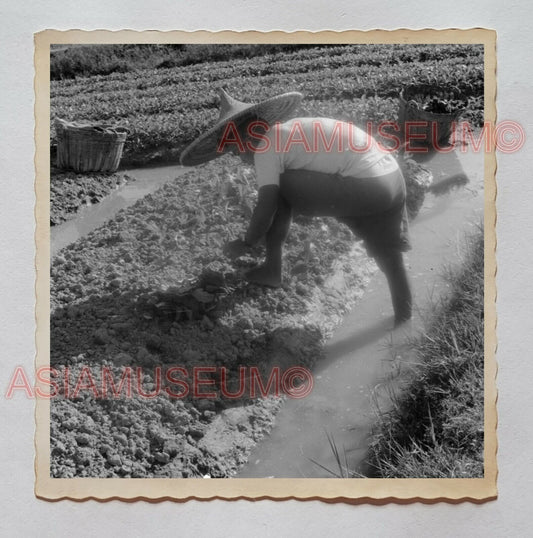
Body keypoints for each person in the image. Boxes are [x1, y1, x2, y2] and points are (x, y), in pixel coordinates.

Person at [180, 88, 412, 325]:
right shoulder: (287, 131)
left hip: (368, 186)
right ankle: (405, 320)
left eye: (235, 150)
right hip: (392, 178)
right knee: (389, 256)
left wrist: (247, 242)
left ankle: (272, 269)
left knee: (278, 189)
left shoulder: (265, 147)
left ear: (247, 139)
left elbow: (267, 205)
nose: (239, 157)